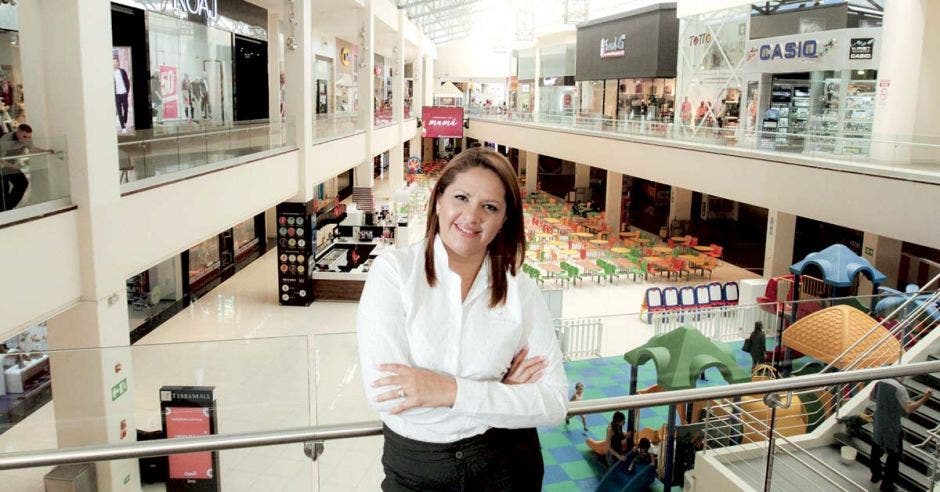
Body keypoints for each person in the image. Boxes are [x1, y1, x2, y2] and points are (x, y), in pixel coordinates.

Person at [357, 147, 568, 491]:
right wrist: (502, 394)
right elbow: (389, 397)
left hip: (508, 466)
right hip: (418, 471)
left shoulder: (520, 288)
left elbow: (554, 402)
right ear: (438, 199)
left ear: (504, 220)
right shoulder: (395, 273)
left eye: (490, 207)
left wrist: (447, 391)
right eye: (461, 197)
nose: (472, 217)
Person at [869, 378, 931, 491]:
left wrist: (886, 403)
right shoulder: (900, 389)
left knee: (876, 448)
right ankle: (886, 485)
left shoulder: (880, 383)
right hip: (892, 427)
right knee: (894, 456)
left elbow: (871, 397)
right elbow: (909, 408)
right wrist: (925, 398)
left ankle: (875, 475)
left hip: (878, 422)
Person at [0, 124, 43, 211]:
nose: (27, 139)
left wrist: (48, 151)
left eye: (29, 137)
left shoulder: (27, 139)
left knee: (22, 183)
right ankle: (4, 212)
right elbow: (1, 160)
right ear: (18, 132)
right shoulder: (5, 140)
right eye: (24, 136)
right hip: (2, 165)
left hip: (9, 165)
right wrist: (14, 166)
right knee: (4, 190)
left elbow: (33, 149)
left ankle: (7, 209)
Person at [113, 56, 131, 133]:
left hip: (124, 93)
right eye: (113, 62)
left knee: (126, 109)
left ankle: (125, 120)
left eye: (116, 62)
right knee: (119, 111)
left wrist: (127, 91)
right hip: (117, 95)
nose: (115, 63)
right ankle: (123, 127)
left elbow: (127, 81)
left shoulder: (122, 71)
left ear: (118, 63)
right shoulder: (110, 73)